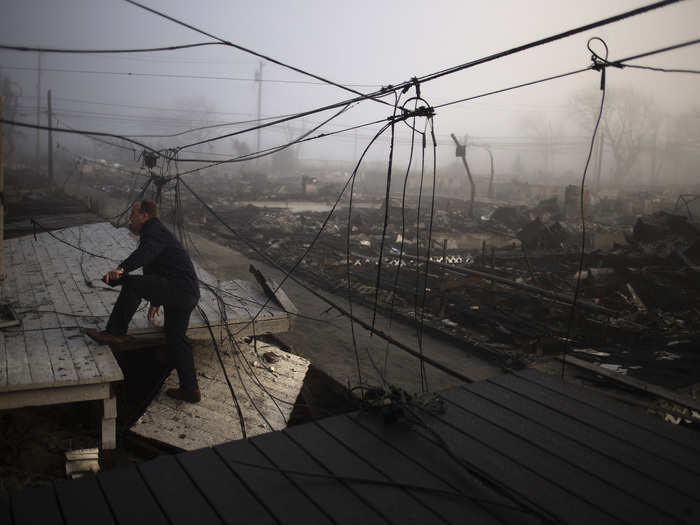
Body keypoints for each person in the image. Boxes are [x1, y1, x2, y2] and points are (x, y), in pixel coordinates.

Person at [86, 200, 202, 403]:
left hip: (179, 289)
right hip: (188, 294)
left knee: (132, 283)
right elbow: (153, 266)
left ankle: (115, 333)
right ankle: (190, 390)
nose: (130, 217)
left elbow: (145, 254)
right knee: (176, 339)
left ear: (144, 216)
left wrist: (122, 269)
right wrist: (156, 299)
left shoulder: (153, 229)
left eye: (133, 213)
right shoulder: (157, 233)